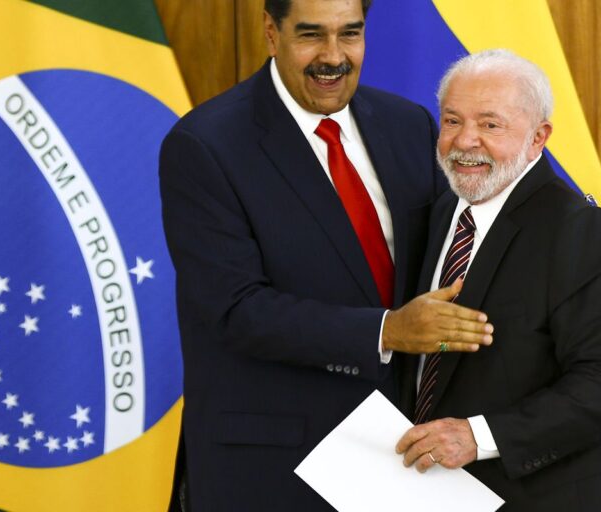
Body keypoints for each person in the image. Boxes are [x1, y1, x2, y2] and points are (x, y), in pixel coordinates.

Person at [159, 1, 492, 509]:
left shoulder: (408, 125)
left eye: (350, 34)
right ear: (272, 33)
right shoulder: (206, 145)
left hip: (405, 455)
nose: (333, 57)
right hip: (275, 467)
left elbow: (453, 249)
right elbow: (235, 309)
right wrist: (387, 331)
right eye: (311, 36)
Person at [395, 49, 601, 510]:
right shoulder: (438, 214)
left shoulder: (581, 230)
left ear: (539, 138)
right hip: (444, 492)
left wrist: (478, 436)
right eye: (453, 121)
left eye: (490, 124)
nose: (466, 142)